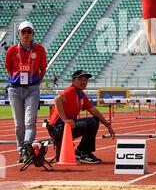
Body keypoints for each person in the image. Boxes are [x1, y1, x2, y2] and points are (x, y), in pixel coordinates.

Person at [49, 70, 115, 164]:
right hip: (58, 129)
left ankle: (81, 152)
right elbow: (57, 100)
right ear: (73, 81)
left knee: (94, 120)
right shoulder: (71, 90)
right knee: (91, 122)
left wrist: (108, 125)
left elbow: (93, 110)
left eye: (85, 80)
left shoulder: (80, 94)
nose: (83, 82)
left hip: (66, 128)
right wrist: (65, 119)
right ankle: (83, 153)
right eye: (80, 79)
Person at [4, 21, 47, 163]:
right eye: (24, 32)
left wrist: (36, 82)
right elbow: (8, 68)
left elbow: (43, 69)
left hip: (32, 89)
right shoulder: (11, 50)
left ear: (33, 34)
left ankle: (27, 151)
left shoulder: (40, 49)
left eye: (29, 32)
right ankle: (21, 151)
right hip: (15, 90)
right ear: (19, 34)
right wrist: (17, 79)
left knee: (30, 122)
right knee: (19, 124)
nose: (26, 34)